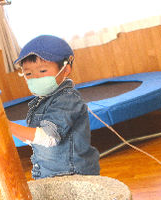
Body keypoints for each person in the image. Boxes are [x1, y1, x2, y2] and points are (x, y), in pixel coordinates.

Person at [8, 35, 100, 179]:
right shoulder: (40, 102)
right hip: (48, 174)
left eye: (43, 71)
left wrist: (7, 126)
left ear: (65, 69)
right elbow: (34, 139)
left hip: (72, 176)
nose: (35, 78)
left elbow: (49, 137)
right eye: (28, 73)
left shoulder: (67, 98)